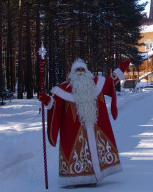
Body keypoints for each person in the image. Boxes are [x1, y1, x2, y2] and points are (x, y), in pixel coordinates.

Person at [39, 58, 130, 187]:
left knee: (94, 149)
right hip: (72, 130)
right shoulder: (62, 89)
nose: (80, 72)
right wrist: (47, 100)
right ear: (72, 73)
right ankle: (72, 179)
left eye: (82, 69)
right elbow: (55, 107)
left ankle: (93, 177)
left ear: (87, 72)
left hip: (94, 127)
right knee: (74, 151)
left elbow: (111, 81)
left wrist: (121, 70)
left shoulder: (97, 83)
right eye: (77, 70)